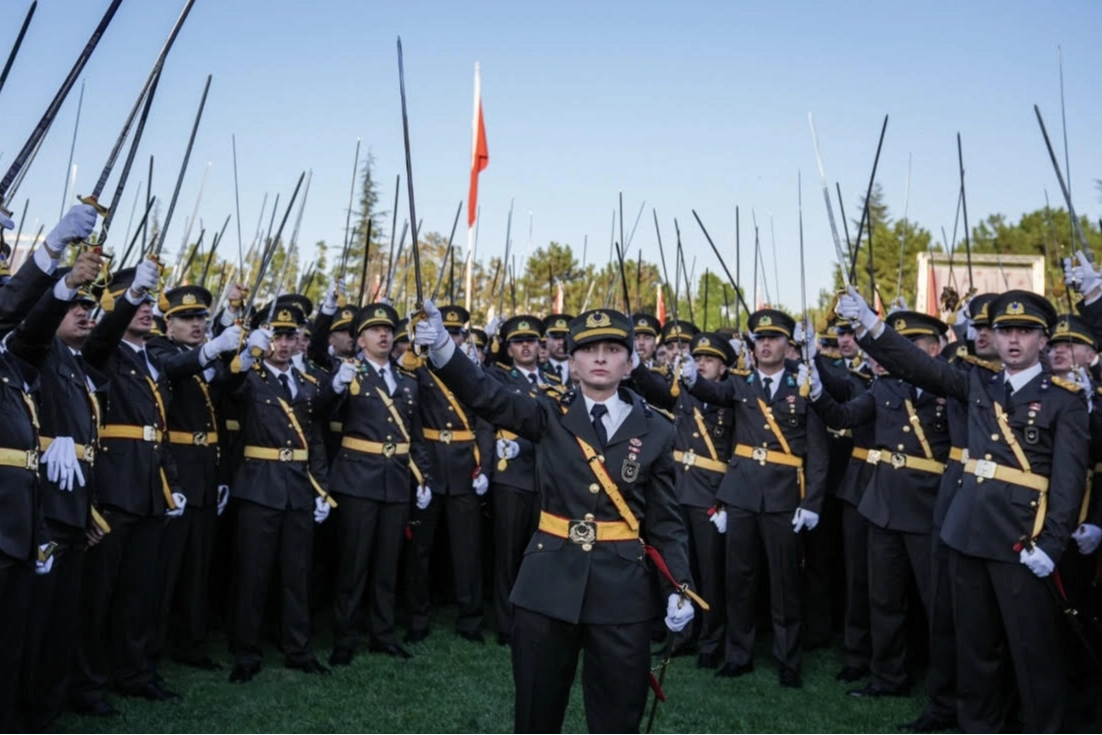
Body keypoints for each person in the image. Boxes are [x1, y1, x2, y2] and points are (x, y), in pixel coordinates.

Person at [414, 301, 696, 735]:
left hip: (622, 589)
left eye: (612, 348)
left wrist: (680, 585)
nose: (600, 357)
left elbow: (666, 521)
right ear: (573, 363)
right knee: (535, 713)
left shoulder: (656, 429)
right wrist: (444, 351)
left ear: (630, 362)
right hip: (547, 583)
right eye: (588, 349)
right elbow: (486, 396)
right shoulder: (547, 412)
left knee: (618, 717)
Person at [837, 286, 1089, 735]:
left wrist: (1051, 543)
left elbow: (1067, 482)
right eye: (1005, 330)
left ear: (1043, 341)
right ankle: (979, 726)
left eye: (1025, 332)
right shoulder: (977, 382)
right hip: (968, 531)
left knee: (1033, 649)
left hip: (1021, 538)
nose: (1013, 340)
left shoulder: (1064, 399)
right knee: (975, 647)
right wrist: (870, 326)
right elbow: (918, 365)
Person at [809, 311, 952, 701]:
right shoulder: (885, 388)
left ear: (935, 350)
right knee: (883, 598)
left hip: (929, 507)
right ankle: (887, 678)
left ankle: (945, 690)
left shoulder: (950, 389)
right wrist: (817, 391)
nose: (901, 355)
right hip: (883, 504)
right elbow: (843, 415)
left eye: (913, 347)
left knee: (938, 604)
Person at [681, 308, 828, 687]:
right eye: (759, 339)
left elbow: (817, 452)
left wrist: (811, 503)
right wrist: (692, 378)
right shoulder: (741, 384)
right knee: (739, 580)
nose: (765, 344)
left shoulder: (804, 385)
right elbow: (712, 390)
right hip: (742, 494)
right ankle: (738, 654)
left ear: (786, 344)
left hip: (783, 497)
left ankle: (788, 660)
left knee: (784, 584)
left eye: (774, 338)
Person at [70, 259, 188, 712]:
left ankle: (134, 671)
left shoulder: (153, 359)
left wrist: (171, 482)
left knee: (140, 592)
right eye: (131, 303)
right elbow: (101, 336)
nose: (144, 311)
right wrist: (130, 295)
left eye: (145, 303)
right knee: (101, 595)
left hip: (150, 486)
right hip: (115, 488)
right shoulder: (100, 350)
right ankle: (89, 684)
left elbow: (159, 428)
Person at [225, 301, 333, 683]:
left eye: (290, 336)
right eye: (276, 337)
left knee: (296, 574)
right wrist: (245, 352)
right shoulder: (250, 376)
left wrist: (321, 487)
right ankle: (246, 653)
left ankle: (298, 649)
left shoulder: (307, 384)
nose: (284, 344)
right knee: (253, 574)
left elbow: (315, 439)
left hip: (298, 488)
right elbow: (227, 385)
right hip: (259, 485)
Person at [323, 303, 435, 664]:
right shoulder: (349, 374)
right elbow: (321, 412)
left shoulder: (406, 379)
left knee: (388, 564)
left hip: (396, 480)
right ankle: (345, 637)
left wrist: (423, 476)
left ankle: (382, 634)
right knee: (353, 565)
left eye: (388, 329)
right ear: (360, 339)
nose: (384, 335)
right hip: (357, 478)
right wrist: (336, 385)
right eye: (374, 330)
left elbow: (415, 435)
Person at [146, 285, 242, 671]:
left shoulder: (204, 358)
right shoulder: (159, 350)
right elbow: (176, 368)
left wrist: (243, 357)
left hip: (204, 469)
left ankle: (191, 642)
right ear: (168, 324)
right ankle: (150, 647)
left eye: (201, 317)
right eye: (187, 318)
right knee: (165, 569)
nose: (197, 324)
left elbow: (222, 393)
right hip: (176, 470)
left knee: (197, 567)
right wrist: (213, 349)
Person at [630, 331, 736, 670]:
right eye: (698, 358)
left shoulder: (732, 398)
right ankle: (681, 635)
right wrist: (635, 365)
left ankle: (711, 642)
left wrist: (727, 500)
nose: (701, 364)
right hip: (679, 489)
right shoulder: (684, 391)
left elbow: (738, 453)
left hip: (711, 495)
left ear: (723, 368)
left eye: (709, 360)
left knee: (710, 574)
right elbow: (656, 392)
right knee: (679, 570)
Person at [404, 305, 493, 644]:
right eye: (448, 332)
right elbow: (409, 419)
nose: (453, 338)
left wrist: (484, 467)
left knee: (467, 550)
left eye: (457, 334)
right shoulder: (418, 368)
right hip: (429, 464)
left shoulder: (469, 371)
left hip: (464, 467)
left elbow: (484, 421)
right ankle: (417, 617)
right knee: (420, 549)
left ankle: (470, 619)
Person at [485, 315, 562, 645]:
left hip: (544, 476)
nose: (526, 345)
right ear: (508, 348)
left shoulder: (554, 378)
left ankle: (535, 618)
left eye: (531, 340)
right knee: (507, 555)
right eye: (518, 341)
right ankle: (506, 623)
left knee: (540, 554)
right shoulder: (500, 377)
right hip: (512, 476)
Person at [541, 313, 573, 385]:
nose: (561, 342)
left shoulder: (580, 369)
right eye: (556, 338)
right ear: (546, 340)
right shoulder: (537, 368)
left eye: (565, 338)